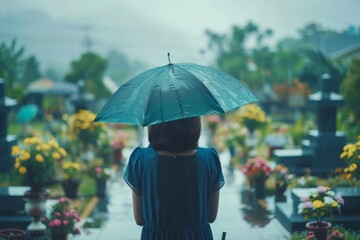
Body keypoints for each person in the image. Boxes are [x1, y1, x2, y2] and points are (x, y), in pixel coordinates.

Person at [124, 116, 225, 240]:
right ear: (193, 123)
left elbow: (139, 219)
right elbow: (211, 216)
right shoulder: (209, 158)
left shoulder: (141, 159)